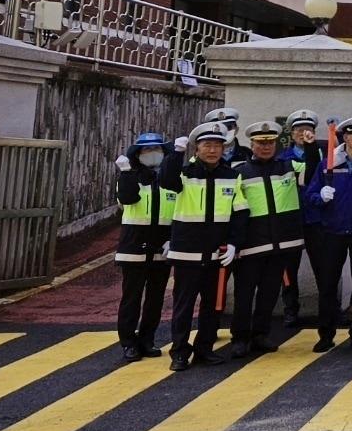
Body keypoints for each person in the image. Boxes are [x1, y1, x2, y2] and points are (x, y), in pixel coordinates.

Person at [160, 122, 246, 371]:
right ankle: (179, 352)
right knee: (184, 306)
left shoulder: (231, 176)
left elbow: (240, 213)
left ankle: (204, 349)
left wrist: (234, 243)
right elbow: (166, 181)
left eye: (218, 145)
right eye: (207, 145)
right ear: (196, 148)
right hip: (187, 253)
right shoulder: (184, 173)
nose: (213, 150)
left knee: (213, 306)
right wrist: (176, 154)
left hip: (217, 254)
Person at [228, 120, 304, 359]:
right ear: (252, 144)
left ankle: (260, 334)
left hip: (280, 245)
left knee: (269, 294)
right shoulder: (240, 172)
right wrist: (235, 243)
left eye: (270, 142)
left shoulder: (288, 167)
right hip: (250, 246)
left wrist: (311, 145)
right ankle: (240, 338)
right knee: (244, 295)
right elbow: (234, 210)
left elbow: (313, 168)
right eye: (261, 143)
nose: (266, 146)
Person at [304, 115, 352, 354]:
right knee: (328, 285)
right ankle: (326, 334)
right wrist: (320, 196)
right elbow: (310, 194)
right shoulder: (328, 164)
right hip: (332, 231)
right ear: (346, 137)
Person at [113, 132, 175, 361]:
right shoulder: (130, 176)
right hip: (134, 247)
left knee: (155, 299)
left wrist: (173, 240)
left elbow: (180, 211)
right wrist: (126, 171)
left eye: (156, 149)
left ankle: (147, 340)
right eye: (146, 150)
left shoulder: (172, 178)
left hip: (162, 247)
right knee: (132, 298)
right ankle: (128, 342)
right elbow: (127, 199)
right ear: (138, 154)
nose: (152, 154)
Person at [277, 110, 323, 328]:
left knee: (323, 266)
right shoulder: (282, 158)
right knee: (289, 267)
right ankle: (290, 308)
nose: (303, 133)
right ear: (292, 133)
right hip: (291, 219)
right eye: (298, 130)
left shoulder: (323, 155)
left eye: (308, 130)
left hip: (316, 218)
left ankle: (328, 307)